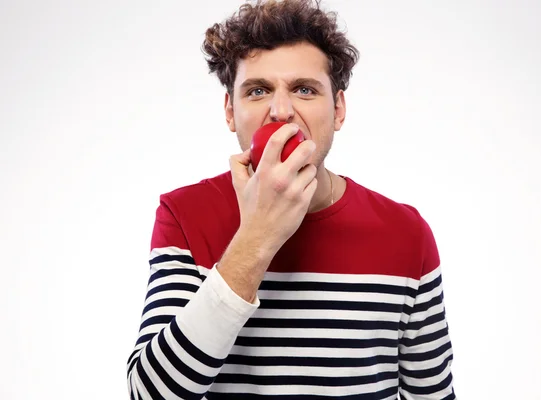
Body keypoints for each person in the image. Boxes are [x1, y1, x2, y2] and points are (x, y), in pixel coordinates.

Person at [126, 0, 457, 398]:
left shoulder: (406, 232)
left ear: (337, 110)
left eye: (304, 89)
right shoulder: (184, 215)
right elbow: (149, 393)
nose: (280, 111)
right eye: (258, 90)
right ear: (230, 111)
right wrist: (257, 236)